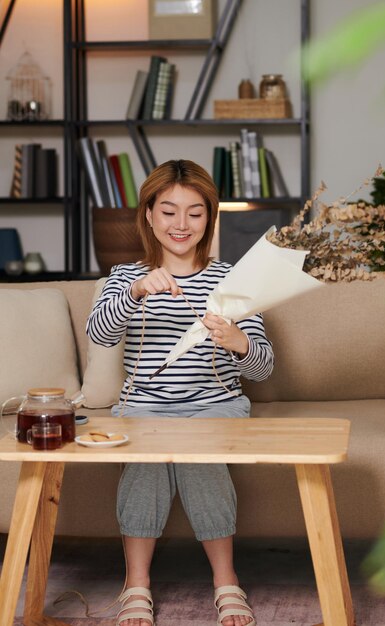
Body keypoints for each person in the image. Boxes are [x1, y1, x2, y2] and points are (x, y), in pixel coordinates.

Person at [86, 159, 274, 626]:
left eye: (195, 212)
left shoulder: (233, 280)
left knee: (197, 454)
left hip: (217, 406)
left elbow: (264, 367)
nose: (181, 224)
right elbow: (100, 333)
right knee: (147, 463)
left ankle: (226, 582)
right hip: (142, 408)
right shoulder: (125, 276)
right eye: (168, 211)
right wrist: (134, 292)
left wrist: (238, 341)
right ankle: (136, 586)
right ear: (148, 215)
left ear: (209, 217)